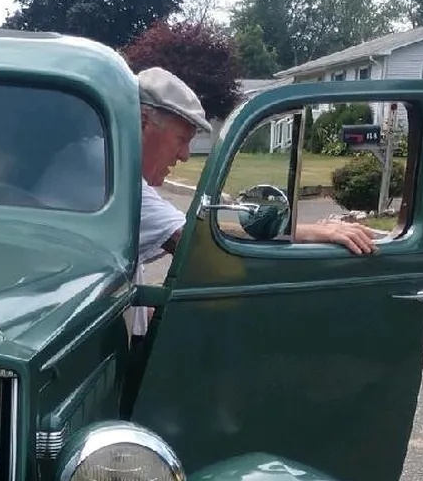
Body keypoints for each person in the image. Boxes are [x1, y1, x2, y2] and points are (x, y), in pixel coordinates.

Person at [131, 67, 376, 335]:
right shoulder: (125, 191)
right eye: (181, 139)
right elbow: (198, 242)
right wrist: (311, 233)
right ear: (143, 123)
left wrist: (145, 314)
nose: (185, 155)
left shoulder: (117, 181)